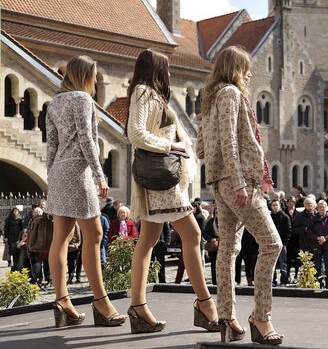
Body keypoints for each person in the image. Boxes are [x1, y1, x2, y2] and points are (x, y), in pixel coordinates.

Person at [127, 49, 218, 335]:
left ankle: (138, 307)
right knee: (192, 235)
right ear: (155, 69)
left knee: (147, 242)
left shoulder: (152, 94)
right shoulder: (143, 92)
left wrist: (181, 142)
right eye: (165, 68)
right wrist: (174, 146)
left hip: (162, 181)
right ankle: (205, 304)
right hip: (161, 183)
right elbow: (136, 133)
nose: (169, 73)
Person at [197, 46, 283, 344]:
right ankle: (261, 317)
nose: (250, 73)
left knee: (228, 249)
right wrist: (238, 182)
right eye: (246, 67)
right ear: (234, 68)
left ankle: (227, 319)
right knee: (272, 244)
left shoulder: (210, 98)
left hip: (219, 182)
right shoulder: (232, 94)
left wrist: (223, 177)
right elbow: (230, 142)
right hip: (240, 181)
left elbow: (201, 149)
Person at [45, 55, 126, 328]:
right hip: (78, 172)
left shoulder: (54, 102)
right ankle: (101, 302)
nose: (94, 80)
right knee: (94, 234)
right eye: (93, 74)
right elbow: (88, 141)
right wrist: (100, 174)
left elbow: (51, 146)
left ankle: (62, 301)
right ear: (85, 76)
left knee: (62, 237)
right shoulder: (82, 99)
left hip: (58, 172)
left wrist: (50, 178)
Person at [306, 200, 328, 289]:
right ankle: (319, 284)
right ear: (317, 208)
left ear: (326, 208)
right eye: (319, 207)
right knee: (318, 266)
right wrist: (317, 237)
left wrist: (325, 238)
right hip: (317, 245)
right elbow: (309, 231)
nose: (321, 208)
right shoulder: (313, 219)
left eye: (323, 207)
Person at [270, 200, 291, 286]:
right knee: (272, 264)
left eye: (276, 205)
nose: (275, 207)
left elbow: (288, 231)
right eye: (273, 205)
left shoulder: (285, 217)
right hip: (271, 244)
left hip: (282, 244)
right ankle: (273, 280)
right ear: (271, 207)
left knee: (283, 264)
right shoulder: (269, 216)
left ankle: (283, 281)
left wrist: (284, 243)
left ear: (280, 206)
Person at [202, 213, 220, 285]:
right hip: (214, 247)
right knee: (214, 265)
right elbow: (205, 233)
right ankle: (215, 282)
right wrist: (211, 239)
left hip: (224, 246)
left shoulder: (227, 221)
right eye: (216, 212)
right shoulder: (211, 222)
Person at [3, 207, 23, 271]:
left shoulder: (20, 219)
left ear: (18, 212)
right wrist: (6, 237)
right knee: (11, 249)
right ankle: (9, 261)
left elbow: (21, 228)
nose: (15, 212)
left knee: (16, 249)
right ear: (12, 212)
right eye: (14, 211)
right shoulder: (8, 218)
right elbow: (6, 228)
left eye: (16, 211)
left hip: (18, 236)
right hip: (10, 236)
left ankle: (15, 263)